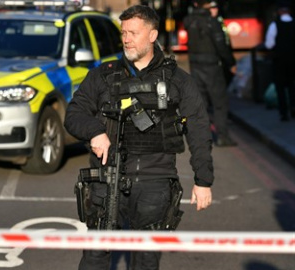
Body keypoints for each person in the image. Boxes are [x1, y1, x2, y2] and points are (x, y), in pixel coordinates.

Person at [64, 5, 214, 270]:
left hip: (154, 181)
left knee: (145, 261)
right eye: (123, 32)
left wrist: (203, 181)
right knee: (94, 258)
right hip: (107, 177)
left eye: (133, 33)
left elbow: (199, 129)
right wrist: (95, 131)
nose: (126, 39)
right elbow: (74, 113)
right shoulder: (103, 75)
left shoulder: (178, 81)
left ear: (153, 35)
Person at [183, 0, 237, 146]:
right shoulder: (212, 23)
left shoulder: (189, 21)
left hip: (195, 65)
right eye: (213, 6)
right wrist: (231, 63)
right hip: (212, 66)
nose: (216, 9)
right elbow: (221, 45)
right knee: (220, 103)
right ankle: (222, 136)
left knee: (202, 104)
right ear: (208, 6)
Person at [263, 1, 295, 121]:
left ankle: (283, 112)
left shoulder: (275, 25)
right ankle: (293, 106)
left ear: (279, 11)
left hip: (279, 60)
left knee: (280, 87)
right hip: (293, 60)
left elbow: (269, 44)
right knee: (292, 84)